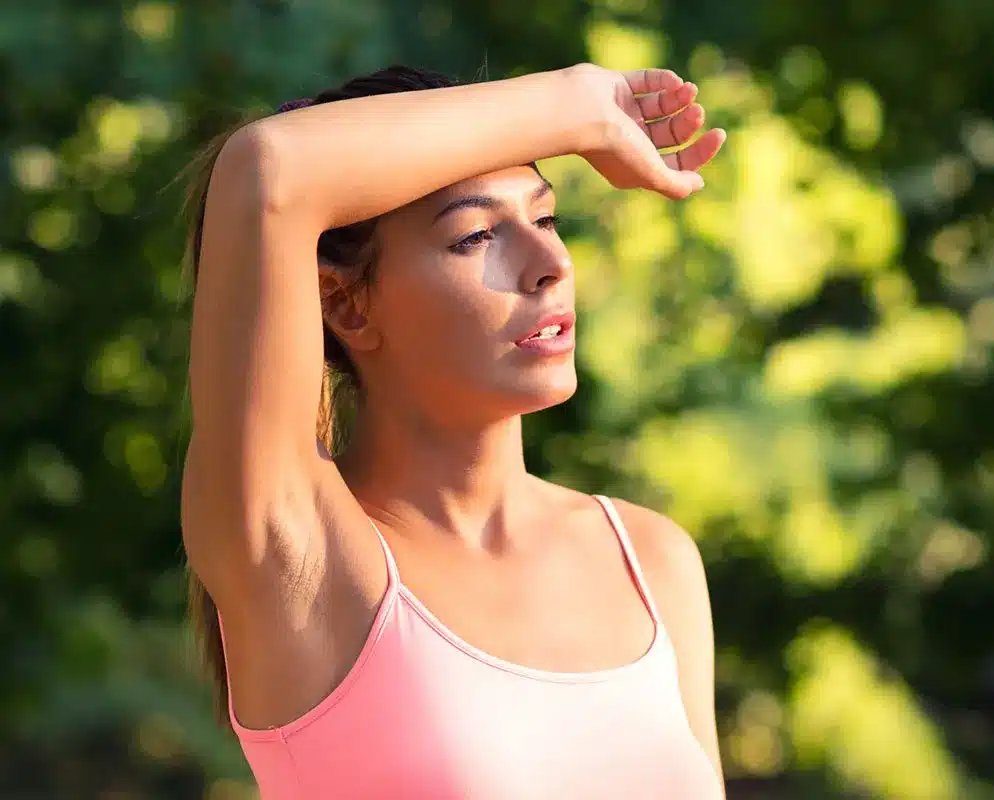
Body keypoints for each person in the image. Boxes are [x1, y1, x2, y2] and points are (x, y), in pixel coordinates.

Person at [181, 61, 727, 799]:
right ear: (347, 307)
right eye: (475, 237)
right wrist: (577, 105)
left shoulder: (653, 561)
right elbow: (267, 168)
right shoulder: (303, 563)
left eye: (545, 218)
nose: (549, 264)